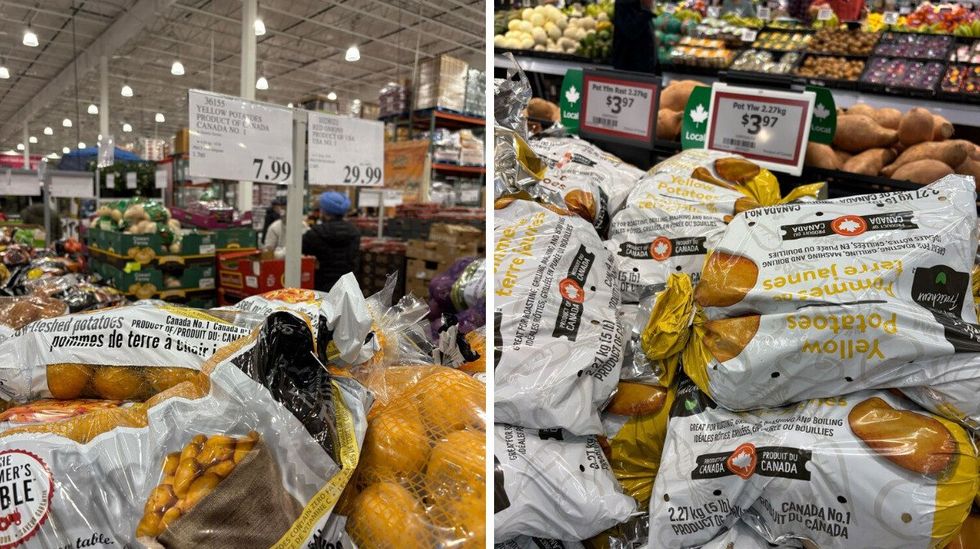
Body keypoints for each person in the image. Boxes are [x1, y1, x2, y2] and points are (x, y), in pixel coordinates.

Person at [302, 191, 361, 292]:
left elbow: (303, 251)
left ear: (324, 211)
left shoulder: (315, 233)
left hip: (322, 287)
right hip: (348, 287)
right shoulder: (355, 232)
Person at [612, 0, 656, 73]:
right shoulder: (624, 3)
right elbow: (631, 30)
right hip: (631, 68)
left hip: (643, 66)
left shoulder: (638, 4)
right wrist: (646, 10)